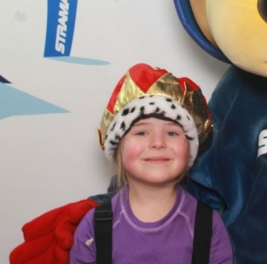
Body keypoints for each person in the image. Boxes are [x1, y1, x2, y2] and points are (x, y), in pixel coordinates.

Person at [69, 63, 233, 264]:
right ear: (118, 148)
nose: (158, 142)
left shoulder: (207, 225)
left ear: (189, 149)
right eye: (141, 132)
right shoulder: (95, 226)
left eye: (172, 133)